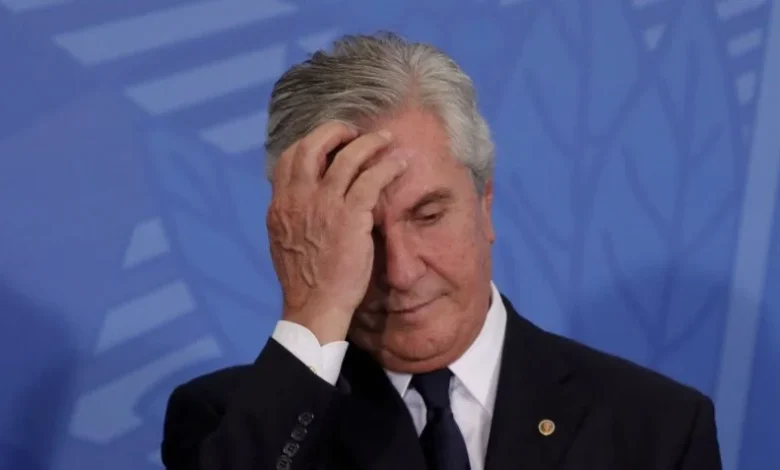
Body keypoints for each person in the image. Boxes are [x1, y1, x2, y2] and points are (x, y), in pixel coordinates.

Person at [160, 32, 722, 470]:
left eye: (428, 216)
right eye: (362, 234)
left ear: (485, 201)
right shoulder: (225, 422)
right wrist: (315, 310)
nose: (402, 272)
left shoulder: (655, 428)